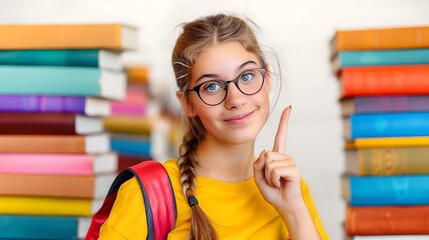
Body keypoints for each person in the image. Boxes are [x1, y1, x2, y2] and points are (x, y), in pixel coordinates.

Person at [99, 13, 330, 240]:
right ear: (188, 103)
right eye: (211, 86)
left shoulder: (292, 188)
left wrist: (293, 211)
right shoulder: (146, 195)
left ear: (267, 79)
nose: (236, 100)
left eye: (247, 76)